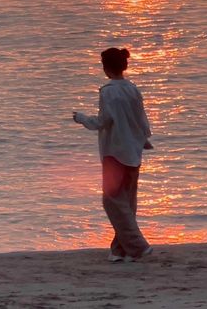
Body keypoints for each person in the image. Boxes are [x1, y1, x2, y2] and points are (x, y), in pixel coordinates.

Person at [73, 47, 153, 262]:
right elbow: (142, 122)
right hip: (133, 150)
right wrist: (142, 141)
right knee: (127, 201)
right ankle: (120, 250)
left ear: (105, 67)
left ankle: (138, 246)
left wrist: (81, 118)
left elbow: (103, 121)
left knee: (112, 201)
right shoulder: (133, 89)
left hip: (114, 152)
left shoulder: (108, 91)